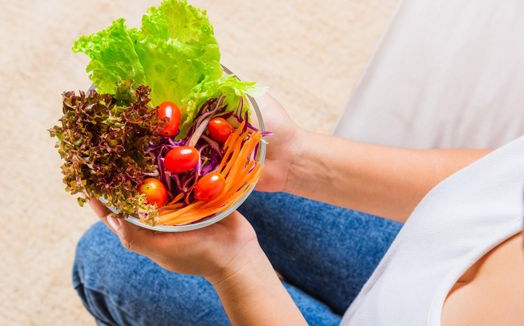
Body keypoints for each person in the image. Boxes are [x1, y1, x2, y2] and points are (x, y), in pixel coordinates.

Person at [73, 93, 524, 325]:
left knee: (108, 263)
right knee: (244, 177)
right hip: (431, 258)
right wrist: (297, 159)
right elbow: (493, 185)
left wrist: (236, 267)